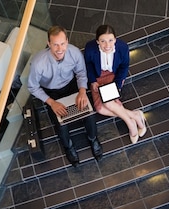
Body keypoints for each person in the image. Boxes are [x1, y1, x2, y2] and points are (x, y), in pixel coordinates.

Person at [28, 25, 103, 166]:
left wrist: (82, 91)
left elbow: (81, 73)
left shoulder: (74, 53)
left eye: (62, 44)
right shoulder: (38, 63)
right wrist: (51, 102)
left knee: (89, 113)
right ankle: (68, 147)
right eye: (55, 45)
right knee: (61, 124)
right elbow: (33, 87)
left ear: (67, 41)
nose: (59, 49)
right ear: (49, 44)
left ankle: (93, 139)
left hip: (72, 86)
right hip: (51, 92)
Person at [84, 24, 147, 144]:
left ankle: (131, 126)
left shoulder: (122, 47)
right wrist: (92, 81)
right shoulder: (90, 48)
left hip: (114, 75)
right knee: (100, 108)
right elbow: (88, 65)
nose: (107, 45)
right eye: (103, 41)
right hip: (98, 77)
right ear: (98, 41)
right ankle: (134, 116)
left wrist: (118, 85)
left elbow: (124, 66)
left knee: (108, 102)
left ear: (115, 39)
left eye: (110, 40)